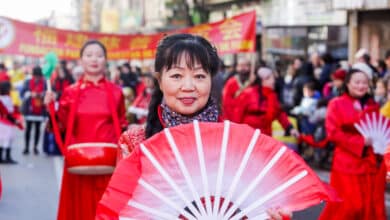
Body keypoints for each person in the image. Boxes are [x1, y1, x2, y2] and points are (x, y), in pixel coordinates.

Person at [96, 34, 291, 220]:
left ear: (210, 79)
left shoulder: (235, 143)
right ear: (159, 81)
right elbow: (121, 209)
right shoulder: (135, 142)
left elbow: (253, 201)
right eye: (176, 76)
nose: (188, 86)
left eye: (199, 76)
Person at [44, 40, 128, 220]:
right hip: (78, 164)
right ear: (81, 61)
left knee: (108, 211)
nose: (94, 59)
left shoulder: (116, 92)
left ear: (106, 60)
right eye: (89, 55)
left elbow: (121, 126)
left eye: (99, 55)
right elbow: (61, 126)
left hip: (109, 163)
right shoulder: (70, 92)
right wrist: (51, 108)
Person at [319, 69, 386, 219]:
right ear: (347, 83)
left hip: (369, 164)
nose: (361, 85)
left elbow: (379, 129)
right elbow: (333, 133)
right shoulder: (336, 104)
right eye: (357, 82)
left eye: (364, 82)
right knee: (348, 208)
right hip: (346, 164)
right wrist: (361, 142)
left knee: (368, 207)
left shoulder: (372, 105)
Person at [21, 66, 46, 155]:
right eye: (36, 76)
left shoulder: (44, 83)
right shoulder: (28, 82)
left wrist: (41, 94)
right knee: (28, 129)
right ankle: (26, 147)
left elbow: (47, 93)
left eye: (39, 76)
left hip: (40, 109)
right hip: (29, 109)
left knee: (38, 129)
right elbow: (22, 93)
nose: (37, 78)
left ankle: (35, 147)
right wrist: (30, 94)